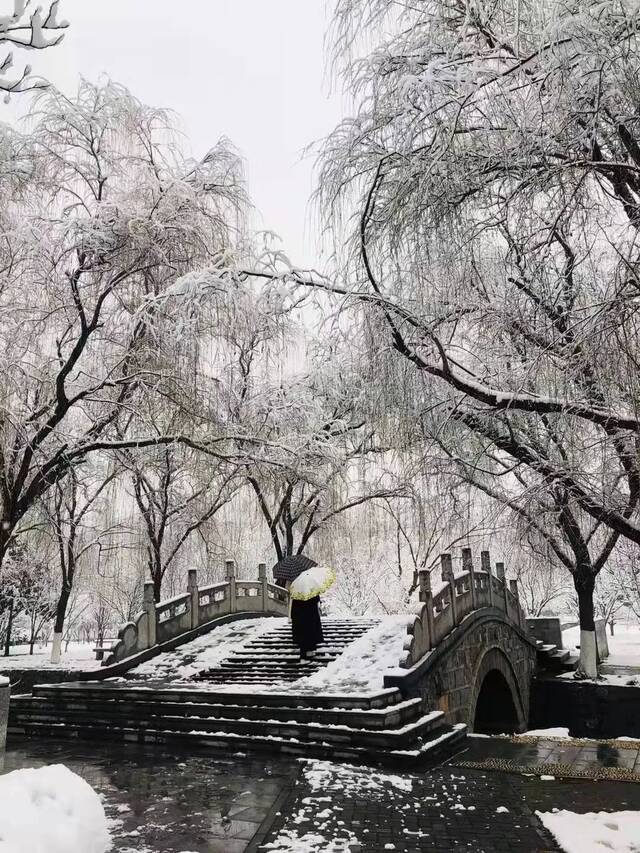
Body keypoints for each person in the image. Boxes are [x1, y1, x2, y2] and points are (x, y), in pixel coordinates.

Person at [288, 589, 324, 663]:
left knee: (303, 637)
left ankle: (306, 654)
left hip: (300, 618)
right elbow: (316, 600)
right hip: (310, 617)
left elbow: (294, 607)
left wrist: (292, 617)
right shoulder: (312, 590)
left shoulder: (297, 592)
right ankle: (304, 656)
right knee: (309, 635)